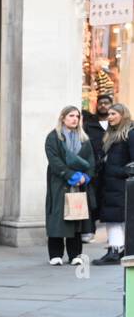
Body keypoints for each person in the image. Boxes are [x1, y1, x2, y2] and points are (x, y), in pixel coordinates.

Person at [43, 106, 96, 266]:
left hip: (79, 186)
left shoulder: (84, 138)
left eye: (77, 116)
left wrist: (86, 177)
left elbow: (91, 162)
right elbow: (54, 161)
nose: (74, 119)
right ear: (63, 118)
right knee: (57, 218)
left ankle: (75, 255)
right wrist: (70, 175)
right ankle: (55, 254)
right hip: (59, 183)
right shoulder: (53, 137)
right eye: (71, 115)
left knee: (76, 219)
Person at [96, 103, 131, 264]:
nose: (109, 117)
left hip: (121, 184)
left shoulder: (129, 134)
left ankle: (117, 251)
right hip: (108, 184)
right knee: (112, 218)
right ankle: (115, 249)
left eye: (113, 114)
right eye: (109, 114)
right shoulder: (110, 135)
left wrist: (118, 172)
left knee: (117, 218)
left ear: (122, 115)